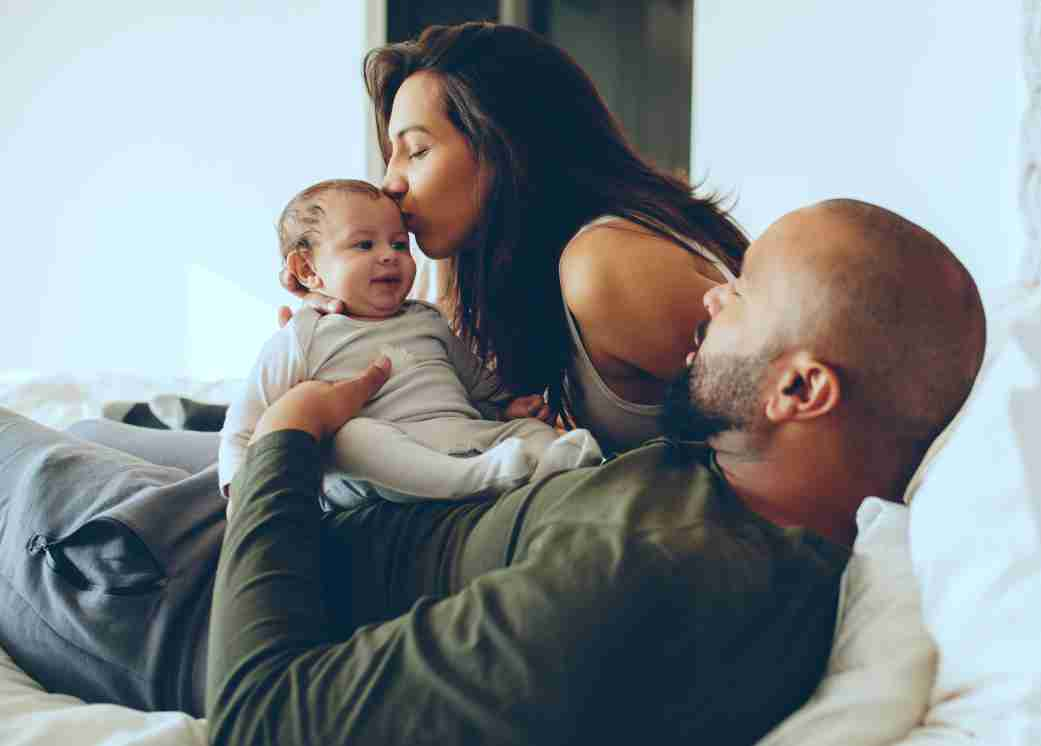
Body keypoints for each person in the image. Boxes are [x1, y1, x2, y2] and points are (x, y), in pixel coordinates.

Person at [0, 200, 987, 745]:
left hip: (172, 590)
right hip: (309, 517)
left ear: (802, 388)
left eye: (745, 291)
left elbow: (263, 718)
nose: (710, 299)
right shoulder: (741, 482)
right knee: (82, 422)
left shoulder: (651, 577)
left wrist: (288, 440)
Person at [85, 20, 747, 465]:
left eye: (417, 151)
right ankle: (192, 416)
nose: (391, 183)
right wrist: (355, 327)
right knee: (97, 440)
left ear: (510, 147)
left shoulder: (608, 265)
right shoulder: (500, 260)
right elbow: (454, 396)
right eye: (390, 155)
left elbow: (770, 440)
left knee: (89, 457)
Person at [220, 178, 601, 510]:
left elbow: (475, 383)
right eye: (364, 245)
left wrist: (508, 407)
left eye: (400, 244)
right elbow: (245, 422)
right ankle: (478, 479)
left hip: (461, 436)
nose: (389, 255)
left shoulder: (427, 318)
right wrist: (240, 491)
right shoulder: (302, 336)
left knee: (527, 432)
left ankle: (554, 464)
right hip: (378, 467)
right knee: (351, 438)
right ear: (307, 270)